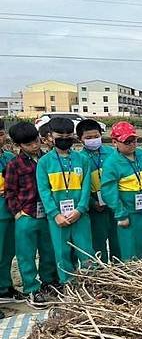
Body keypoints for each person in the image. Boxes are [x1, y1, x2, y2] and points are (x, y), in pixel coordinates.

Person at [5, 122, 59, 307]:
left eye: (36, 141)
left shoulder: (48, 159)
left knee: (49, 250)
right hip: (26, 215)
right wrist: (18, 213)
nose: (34, 146)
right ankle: (31, 288)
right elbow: (10, 191)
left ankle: (48, 281)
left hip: (47, 214)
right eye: (28, 144)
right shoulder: (14, 164)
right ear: (19, 146)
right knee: (26, 254)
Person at [36, 117, 94, 285]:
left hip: (80, 215)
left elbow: (86, 187)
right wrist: (55, 214)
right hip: (57, 218)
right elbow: (44, 191)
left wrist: (81, 209)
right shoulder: (44, 162)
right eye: (60, 135)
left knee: (86, 251)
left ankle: (91, 284)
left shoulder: (82, 159)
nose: (64, 138)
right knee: (62, 252)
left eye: (68, 134)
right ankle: (67, 284)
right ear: (50, 136)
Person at [101, 122, 142, 264]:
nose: (132, 144)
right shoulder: (112, 163)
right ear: (115, 142)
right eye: (127, 141)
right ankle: (135, 279)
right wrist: (120, 214)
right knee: (131, 249)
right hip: (130, 213)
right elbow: (108, 191)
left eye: (134, 140)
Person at [76, 119, 120, 263]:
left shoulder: (112, 153)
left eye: (96, 136)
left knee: (117, 238)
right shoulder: (79, 158)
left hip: (114, 203)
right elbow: (79, 185)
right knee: (98, 241)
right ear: (80, 139)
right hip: (95, 206)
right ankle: (102, 271)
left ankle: (120, 269)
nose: (93, 140)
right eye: (88, 138)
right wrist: (92, 202)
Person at [0, 119, 25, 314]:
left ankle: (5, 286)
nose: (2, 138)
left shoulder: (8, 158)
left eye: (2, 134)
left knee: (8, 252)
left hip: (9, 212)